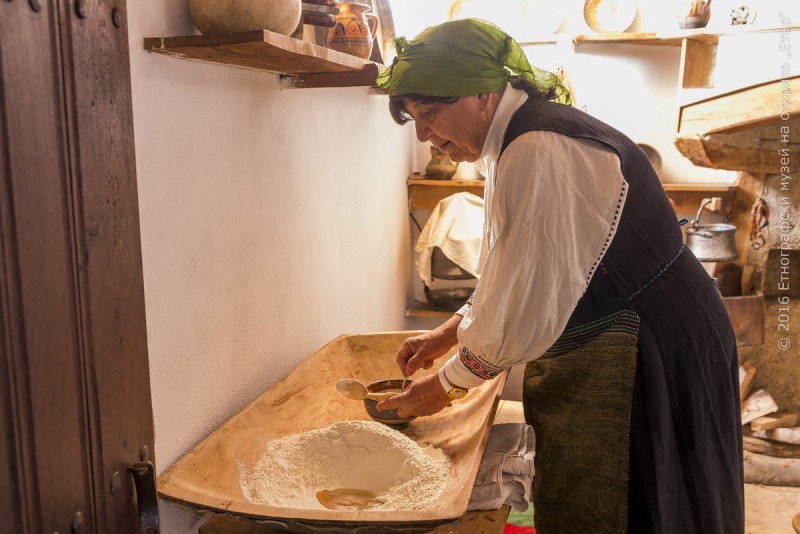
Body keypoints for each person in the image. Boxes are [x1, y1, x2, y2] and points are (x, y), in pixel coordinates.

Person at [374, 18, 744, 534]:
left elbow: (525, 301)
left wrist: (441, 387)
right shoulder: (511, 142)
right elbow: (517, 264)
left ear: (483, 93)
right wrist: (448, 332)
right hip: (636, 321)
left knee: (632, 497)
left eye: (432, 113)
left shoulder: (540, 146)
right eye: (415, 118)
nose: (426, 135)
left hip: (649, 337)